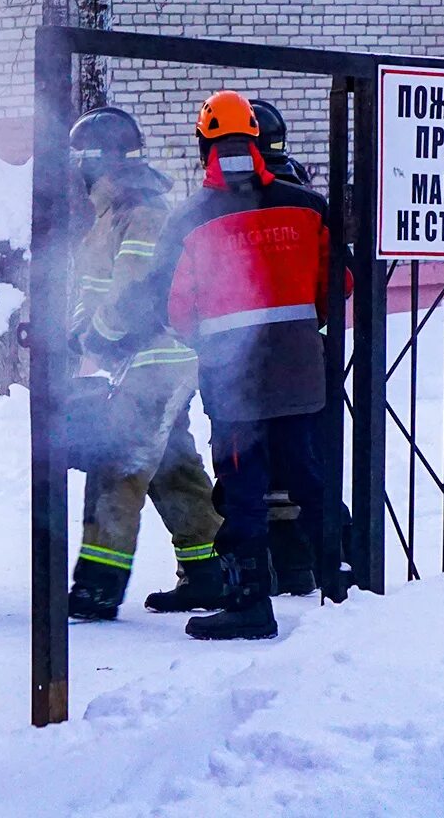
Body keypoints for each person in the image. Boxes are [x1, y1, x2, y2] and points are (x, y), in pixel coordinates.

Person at [135, 91, 342, 640]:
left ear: (204, 143)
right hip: (301, 373)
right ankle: (343, 593)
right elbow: (338, 288)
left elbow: (171, 306)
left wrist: (210, 339)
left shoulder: (189, 221)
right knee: (312, 481)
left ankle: (251, 604)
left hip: (233, 384)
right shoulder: (308, 206)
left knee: (242, 489)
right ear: (256, 141)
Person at [63, 106, 225, 620]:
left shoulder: (143, 212)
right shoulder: (123, 209)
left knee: (119, 464)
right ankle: (210, 573)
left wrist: (98, 337)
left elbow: (134, 290)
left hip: (151, 356)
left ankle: (97, 588)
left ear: (96, 163)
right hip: (151, 358)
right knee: (172, 469)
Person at [248, 98, 319, 597]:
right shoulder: (303, 192)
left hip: (247, 355)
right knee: (302, 463)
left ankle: (262, 572)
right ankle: (312, 564)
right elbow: (340, 279)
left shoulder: (236, 195)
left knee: (253, 467)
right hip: (302, 348)